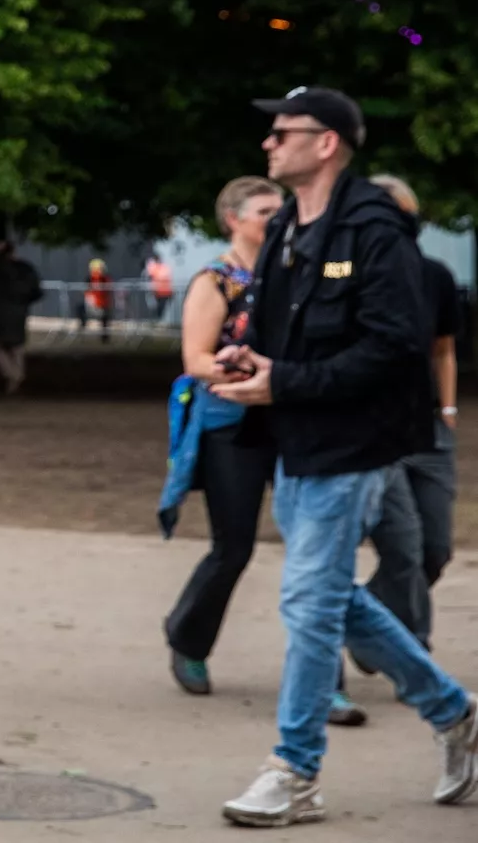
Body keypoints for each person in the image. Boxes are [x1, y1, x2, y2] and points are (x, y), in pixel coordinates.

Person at [212, 86, 477, 826]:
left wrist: (285, 382)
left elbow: (395, 347)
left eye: (282, 132)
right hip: (298, 438)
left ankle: (295, 770)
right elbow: (285, 329)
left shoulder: (374, 230)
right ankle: (456, 714)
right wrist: (251, 358)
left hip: (355, 443)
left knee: (308, 601)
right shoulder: (290, 226)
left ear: (325, 142)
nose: (269, 144)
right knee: (331, 595)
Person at [159, 176, 284, 696]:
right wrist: (245, 372)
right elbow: (196, 360)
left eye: (282, 210)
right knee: (234, 547)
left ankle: (327, 676)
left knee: (315, 548)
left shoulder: (295, 272)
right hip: (231, 424)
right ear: (234, 219)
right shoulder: (215, 281)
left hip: (292, 419)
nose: (277, 220)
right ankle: (188, 638)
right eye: (265, 212)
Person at [361, 174, 459, 648]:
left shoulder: (434, 275)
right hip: (375, 430)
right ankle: (412, 647)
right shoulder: (344, 268)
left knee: (436, 549)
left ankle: (366, 618)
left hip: (429, 428)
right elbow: (317, 277)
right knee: (405, 546)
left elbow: (444, 348)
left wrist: (449, 407)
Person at [0, 239, 45, 395]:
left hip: (0, 311)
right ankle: (17, 373)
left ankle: (12, 373)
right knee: (17, 345)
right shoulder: (25, 269)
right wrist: (24, 301)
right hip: (19, 311)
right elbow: (36, 291)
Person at [148, 253, 176, 324]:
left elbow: (166, 278)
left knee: (161, 309)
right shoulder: (157, 267)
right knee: (158, 308)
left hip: (164, 292)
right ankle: (158, 321)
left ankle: (159, 321)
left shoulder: (161, 267)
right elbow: (151, 277)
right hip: (158, 292)